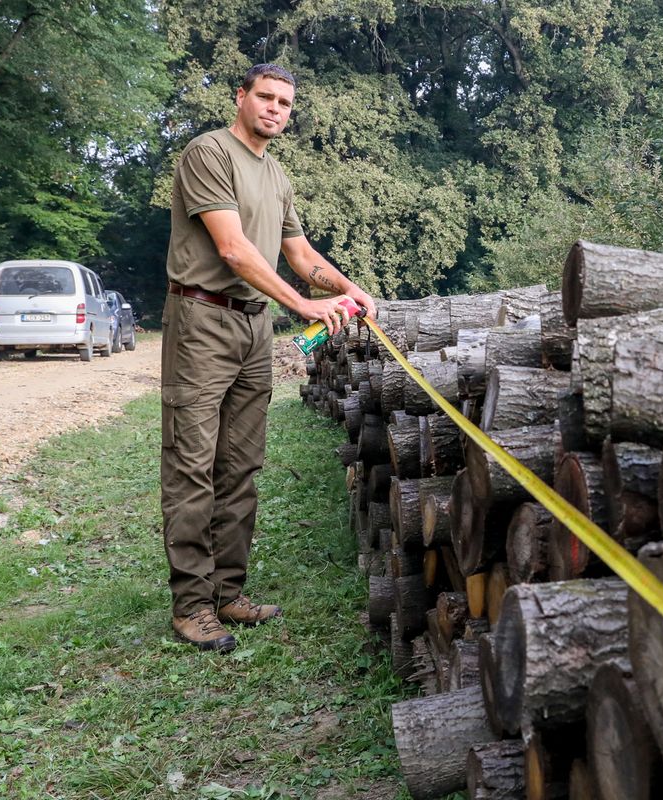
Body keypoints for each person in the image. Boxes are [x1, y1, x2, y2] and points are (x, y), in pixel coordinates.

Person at [162, 63, 377, 652]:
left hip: (254, 328)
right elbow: (232, 249)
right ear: (242, 97)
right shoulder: (209, 154)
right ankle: (191, 605)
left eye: (285, 102)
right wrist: (305, 307)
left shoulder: (277, 174)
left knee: (241, 464)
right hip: (202, 322)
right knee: (193, 465)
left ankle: (228, 592)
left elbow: (300, 253)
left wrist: (347, 289)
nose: (276, 109)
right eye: (265, 97)